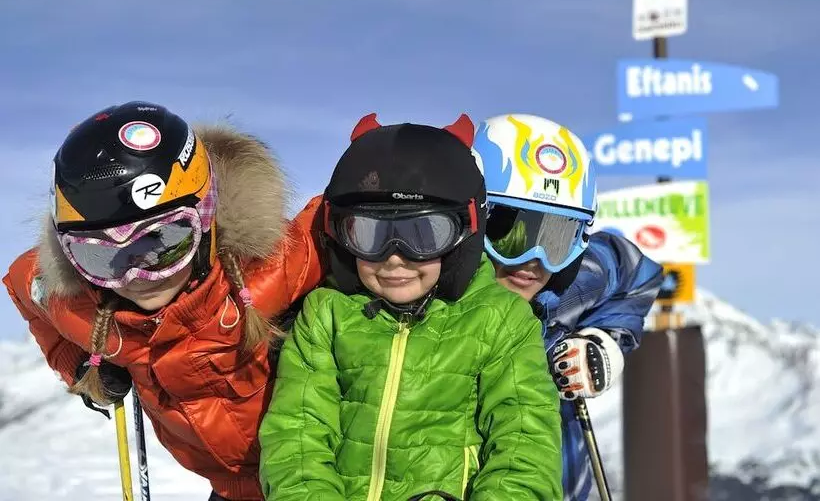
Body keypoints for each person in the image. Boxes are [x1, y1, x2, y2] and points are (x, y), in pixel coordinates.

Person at [3, 102, 325, 501]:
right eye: (101, 256)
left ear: (207, 219)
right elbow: (26, 287)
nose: (136, 275)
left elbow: (344, 216)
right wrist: (78, 364)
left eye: (163, 242)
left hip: (323, 480)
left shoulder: (274, 267)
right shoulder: (86, 304)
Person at [258, 113, 563, 501]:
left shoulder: (501, 321)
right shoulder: (327, 315)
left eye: (423, 234)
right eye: (368, 234)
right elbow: (297, 435)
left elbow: (525, 443)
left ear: (462, 237)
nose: (394, 258)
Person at [472, 114, 663, 500]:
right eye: (510, 232)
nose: (534, 260)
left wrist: (604, 341)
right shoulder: (433, 307)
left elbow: (634, 271)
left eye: (558, 239)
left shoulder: (561, 292)